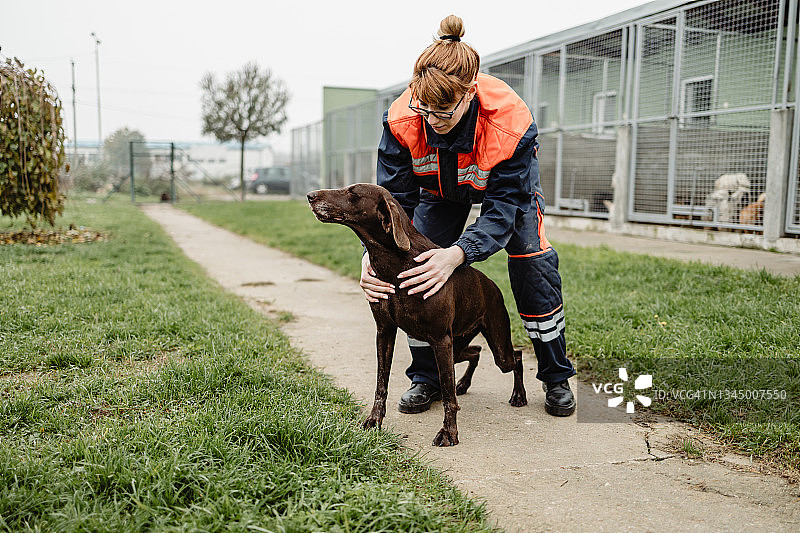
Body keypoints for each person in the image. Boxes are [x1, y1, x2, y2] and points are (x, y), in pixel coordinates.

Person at [360, 15, 576, 417]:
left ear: (470, 92)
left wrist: (458, 253)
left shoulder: (511, 121)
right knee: (416, 265)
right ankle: (427, 378)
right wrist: (372, 255)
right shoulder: (402, 117)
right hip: (440, 192)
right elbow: (394, 204)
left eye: (444, 112)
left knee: (533, 264)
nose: (433, 122)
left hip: (505, 196)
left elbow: (503, 212)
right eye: (425, 110)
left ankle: (555, 375)